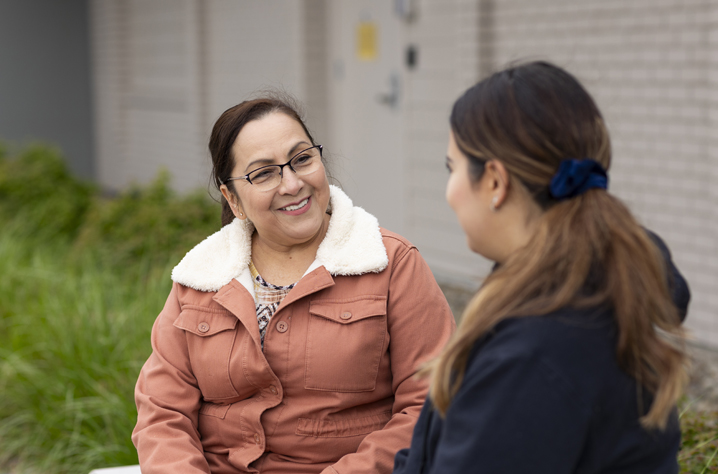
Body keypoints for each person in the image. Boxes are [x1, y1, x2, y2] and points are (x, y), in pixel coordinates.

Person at [393, 61, 690, 474]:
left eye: (451, 168)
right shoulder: (581, 283)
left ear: (495, 181)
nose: (449, 191)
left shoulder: (534, 352)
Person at [132, 96, 455, 474]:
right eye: (263, 174)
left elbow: (431, 405)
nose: (292, 183)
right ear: (232, 199)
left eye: (302, 159)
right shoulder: (202, 276)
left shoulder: (391, 264)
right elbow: (162, 411)